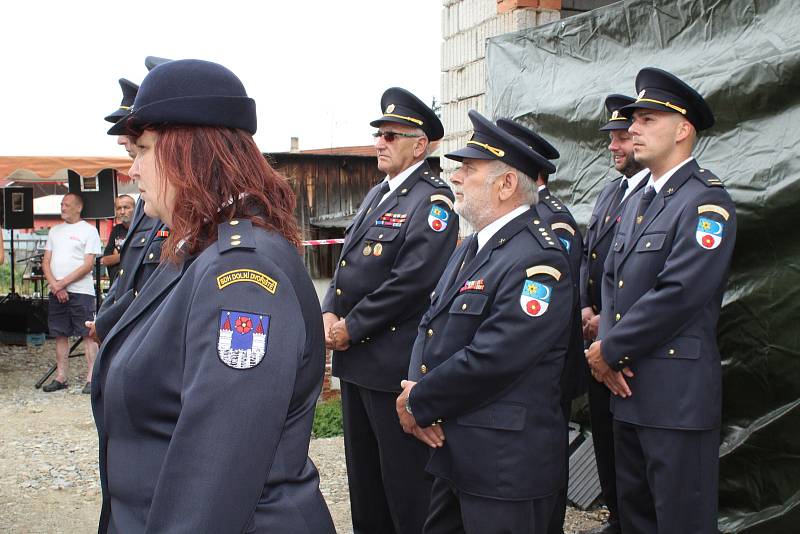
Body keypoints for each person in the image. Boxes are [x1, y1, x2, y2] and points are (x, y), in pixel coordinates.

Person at [93, 59, 334, 533]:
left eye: (142, 150)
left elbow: (217, 463)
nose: (133, 170)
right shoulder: (198, 248)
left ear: (191, 154)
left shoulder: (241, 273)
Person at [397, 110, 573, 534]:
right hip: (459, 451)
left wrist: (420, 401)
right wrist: (415, 388)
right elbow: (432, 322)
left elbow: (495, 357)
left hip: (504, 468)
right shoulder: (477, 243)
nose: (455, 177)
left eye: (469, 169)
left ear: (507, 183)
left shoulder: (539, 259)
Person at [585, 68, 737, 533]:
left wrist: (608, 349)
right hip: (626, 390)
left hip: (676, 400)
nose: (632, 129)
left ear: (683, 129)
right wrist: (608, 351)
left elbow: (679, 293)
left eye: (647, 119)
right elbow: (613, 282)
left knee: (680, 522)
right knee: (636, 520)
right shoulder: (636, 200)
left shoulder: (706, 203)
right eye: (634, 120)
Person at [321, 87, 458, 533]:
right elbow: (346, 266)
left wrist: (351, 327)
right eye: (379, 133)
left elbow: (413, 281)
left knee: (404, 487)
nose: (380, 142)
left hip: (391, 361)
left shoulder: (433, 201)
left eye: (391, 135)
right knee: (366, 484)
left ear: (419, 146)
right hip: (358, 361)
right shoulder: (379, 192)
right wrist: (328, 311)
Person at [496, 118, 585, 534]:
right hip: (519, 368)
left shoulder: (554, 221)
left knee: (544, 463)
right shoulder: (517, 219)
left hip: (549, 363)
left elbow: (552, 306)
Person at [577, 94, 648, 534]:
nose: (614, 146)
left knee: (635, 451)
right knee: (606, 436)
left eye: (622, 136)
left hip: (627, 343)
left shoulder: (654, 197)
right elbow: (592, 255)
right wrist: (586, 306)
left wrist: (610, 323)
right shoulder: (610, 192)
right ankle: (618, 515)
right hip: (596, 335)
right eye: (612, 138)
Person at [91, 76, 169, 343]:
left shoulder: (167, 203)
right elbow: (129, 273)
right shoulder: (145, 202)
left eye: (128, 130)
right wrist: (106, 318)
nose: (120, 139)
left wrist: (111, 320)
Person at [41, 193, 102, 394]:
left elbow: (87, 264)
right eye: (62, 204)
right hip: (57, 290)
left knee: (88, 335)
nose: (63, 208)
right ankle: (61, 376)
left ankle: (92, 377)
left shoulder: (89, 231)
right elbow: (45, 262)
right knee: (60, 334)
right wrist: (56, 285)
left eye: (66, 204)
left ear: (78, 208)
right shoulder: (54, 231)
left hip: (81, 291)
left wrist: (61, 284)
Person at [99, 194, 135, 284]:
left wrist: (117, 255)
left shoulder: (143, 229)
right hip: (116, 285)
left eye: (126, 207)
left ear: (136, 208)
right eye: (119, 208)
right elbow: (105, 260)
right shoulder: (116, 230)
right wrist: (128, 254)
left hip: (135, 285)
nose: (122, 212)